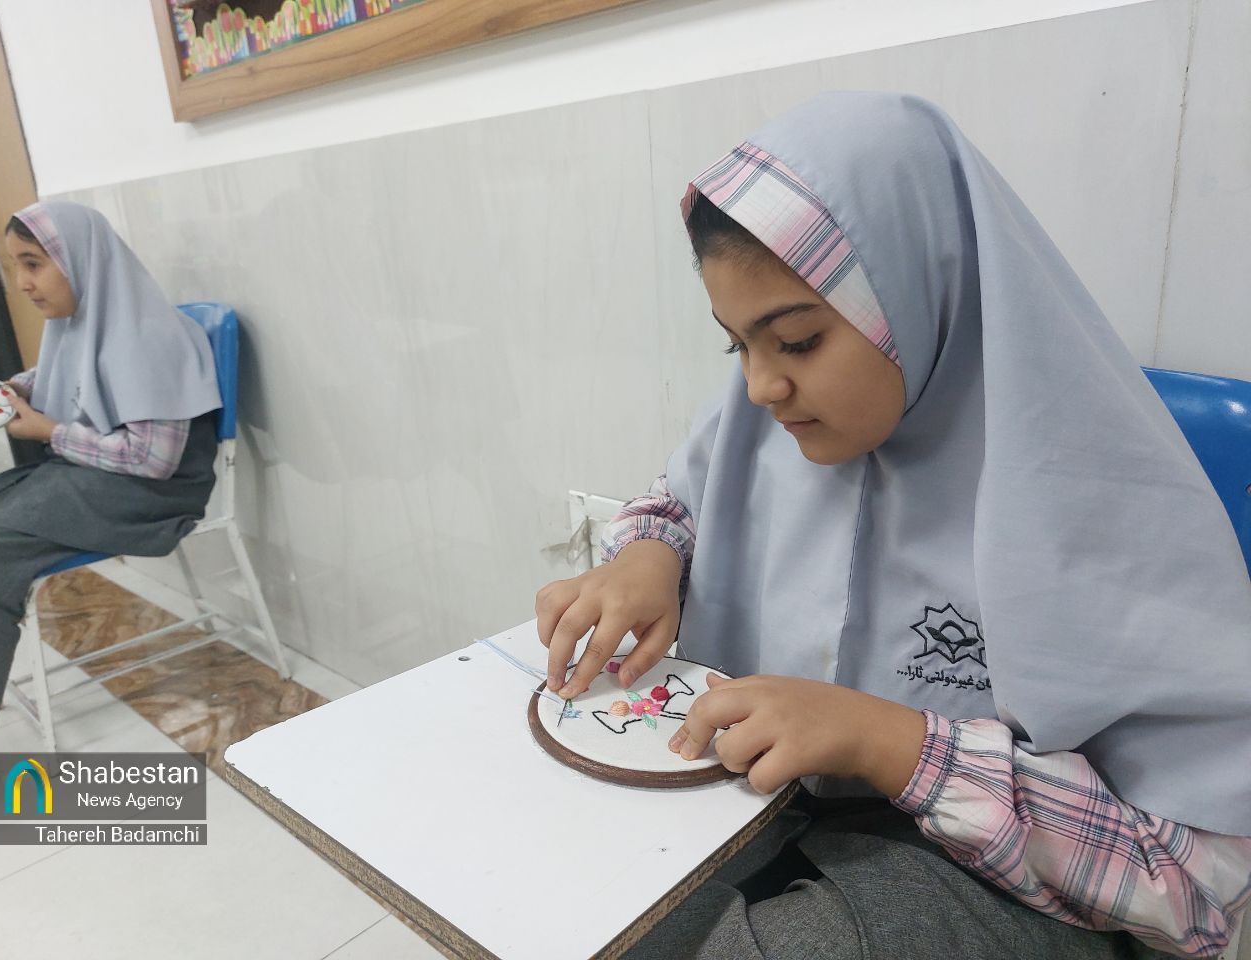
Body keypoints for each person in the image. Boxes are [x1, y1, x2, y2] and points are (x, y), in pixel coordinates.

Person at [534, 92, 1251, 958]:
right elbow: (683, 498)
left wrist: (893, 743)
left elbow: (1204, 886)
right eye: (738, 345)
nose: (760, 387)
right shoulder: (765, 425)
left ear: (918, 295)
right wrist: (647, 555)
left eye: (798, 341)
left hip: (992, 877)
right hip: (780, 808)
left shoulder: (1092, 491)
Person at [0, 201, 221, 794]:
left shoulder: (151, 338)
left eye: (34, 264)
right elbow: (62, 380)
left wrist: (48, 432)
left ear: (80, 261)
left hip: (149, 497)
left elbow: (154, 461)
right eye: (15, 266)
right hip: (92, 480)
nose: (23, 283)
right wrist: (9, 392)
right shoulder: (83, 322)